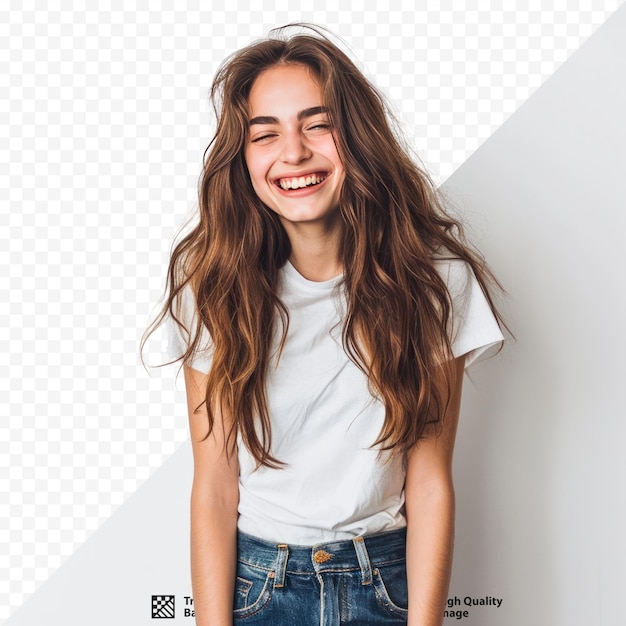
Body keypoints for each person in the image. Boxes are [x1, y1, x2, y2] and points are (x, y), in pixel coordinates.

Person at [147, 24, 505, 626]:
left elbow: (430, 481)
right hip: (258, 588)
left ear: (357, 137)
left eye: (317, 124)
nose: (294, 152)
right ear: (244, 161)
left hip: (387, 584)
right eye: (266, 134)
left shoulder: (434, 280)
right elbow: (213, 485)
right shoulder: (211, 283)